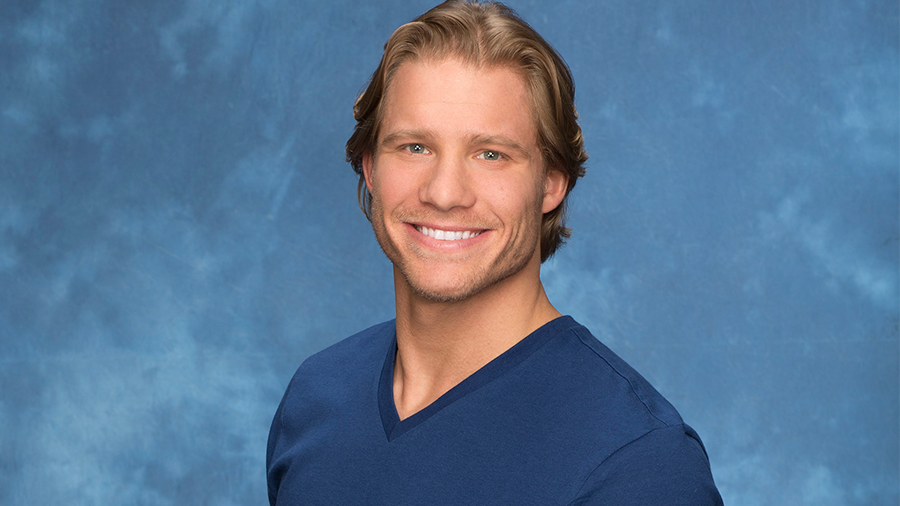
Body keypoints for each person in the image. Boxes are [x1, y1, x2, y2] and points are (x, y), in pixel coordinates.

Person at [267, 1, 723, 504]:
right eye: (415, 147)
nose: (444, 193)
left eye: (491, 154)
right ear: (370, 167)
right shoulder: (317, 395)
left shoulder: (639, 462)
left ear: (551, 183)